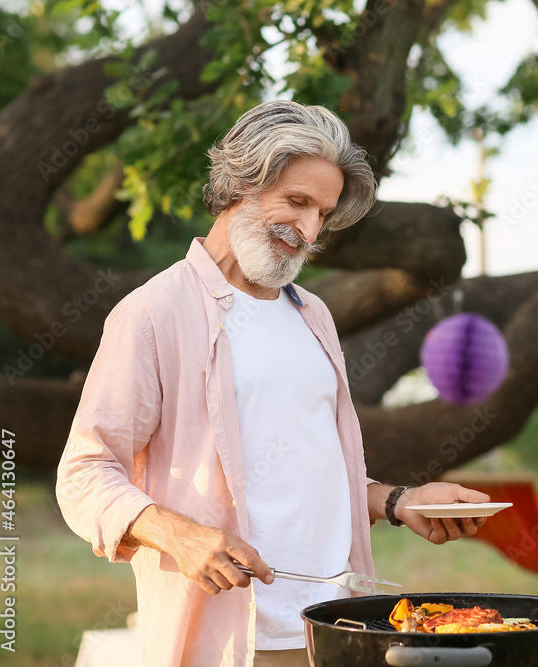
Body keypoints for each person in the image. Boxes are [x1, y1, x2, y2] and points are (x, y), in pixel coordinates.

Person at [56, 100, 490, 667]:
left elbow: (307, 476)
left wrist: (400, 501)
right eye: (297, 201)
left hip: (341, 630)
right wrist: (178, 534)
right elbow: (84, 475)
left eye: (323, 213)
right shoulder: (153, 313)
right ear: (240, 182)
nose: (309, 229)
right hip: (235, 642)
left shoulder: (313, 314)